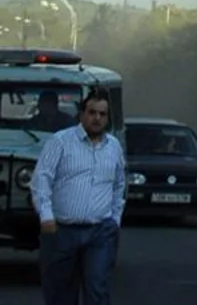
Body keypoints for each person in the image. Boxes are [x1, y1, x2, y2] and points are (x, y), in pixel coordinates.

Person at [31, 88, 126, 305]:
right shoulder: (61, 141)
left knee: (97, 288)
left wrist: (114, 219)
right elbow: (41, 179)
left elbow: (119, 184)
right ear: (82, 114)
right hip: (62, 231)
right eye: (92, 112)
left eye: (102, 114)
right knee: (61, 292)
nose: (97, 118)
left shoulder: (113, 147)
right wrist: (46, 216)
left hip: (100, 232)